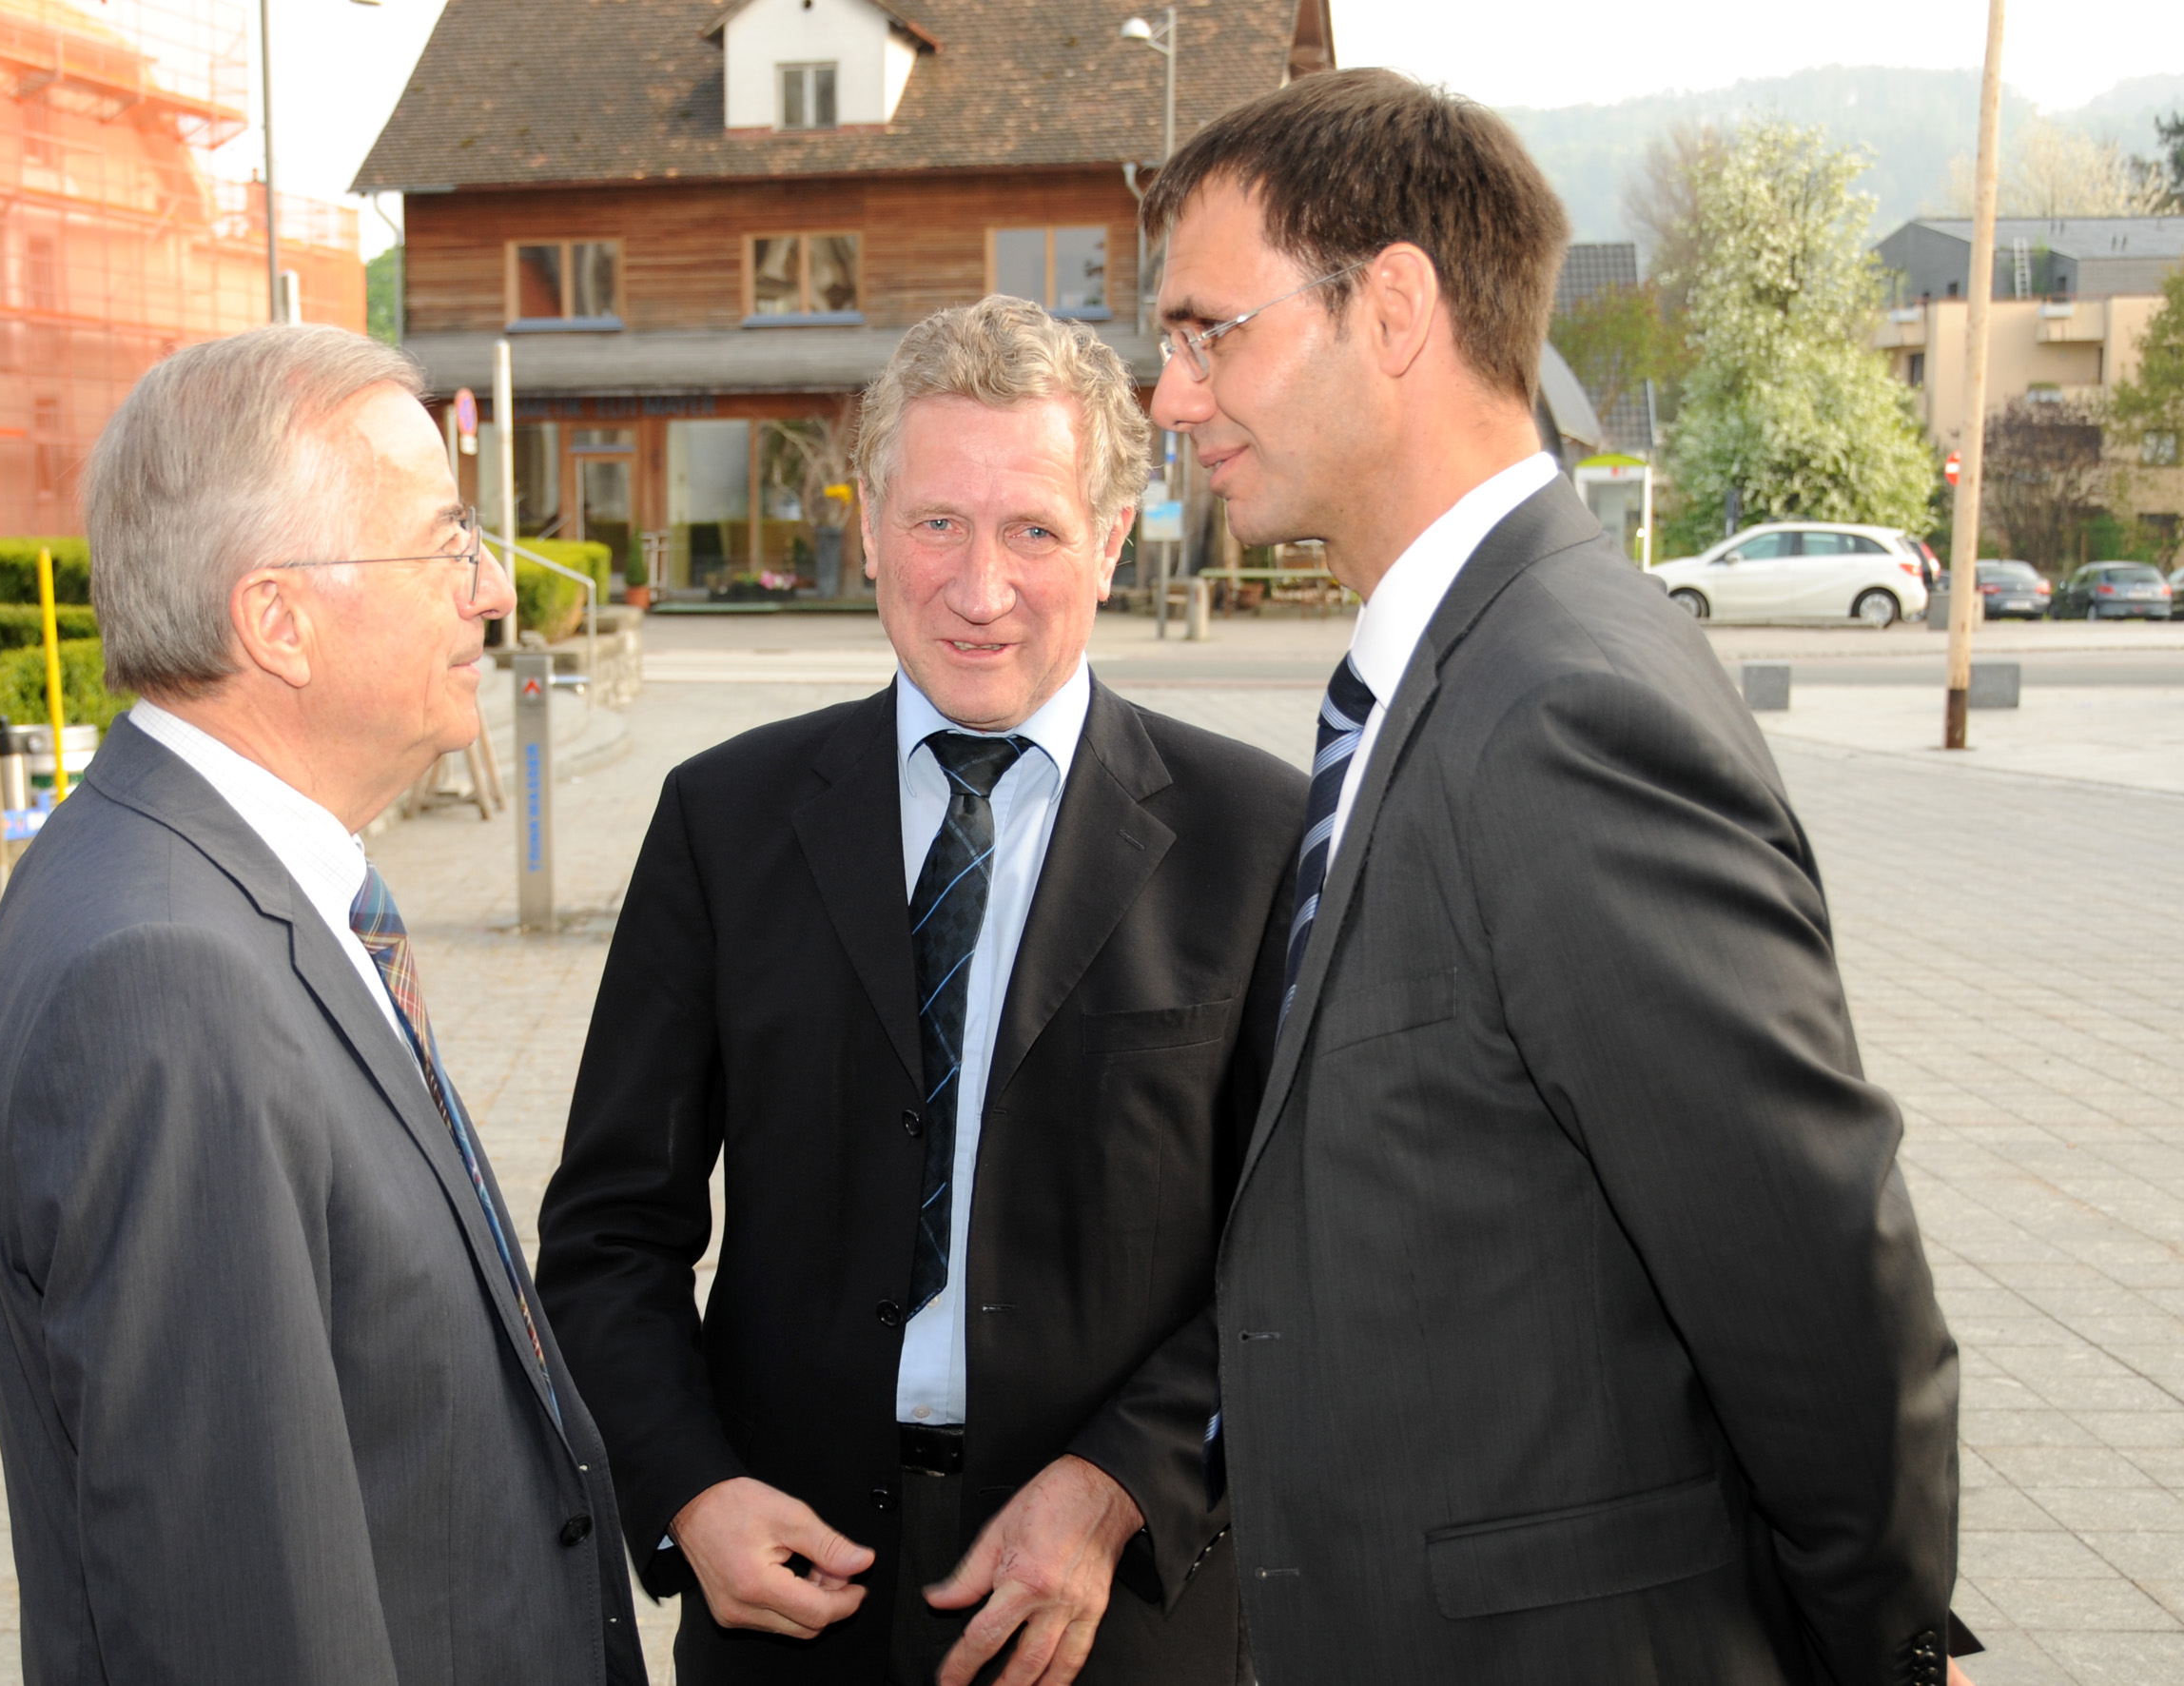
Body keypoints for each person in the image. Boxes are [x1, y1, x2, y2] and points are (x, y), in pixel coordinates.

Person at [1142, 71, 1967, 1686]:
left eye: (1208, 332)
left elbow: (1806, 1277)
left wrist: (1883, 1644)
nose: (1173, 396)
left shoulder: (1561, 709)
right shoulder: (1463, 668)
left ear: (1393, 309)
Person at [535, 296, 1305, 1686]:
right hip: (786, 1600)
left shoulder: (1257, 840)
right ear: (872, 527)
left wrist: (1122, 1484)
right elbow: (607, 1232)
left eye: (1034, 531)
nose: (980, 586)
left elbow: (1302, 1253)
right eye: (938, 521)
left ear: (1112, 541)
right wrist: (688, 1487)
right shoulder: (724, 819)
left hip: (1116, 1616)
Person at [0, 325, 645, 1686]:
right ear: (277, 621)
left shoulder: (209, 881)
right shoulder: (169, 978)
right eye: (447, 544)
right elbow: (236, 1598)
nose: (493, 589)